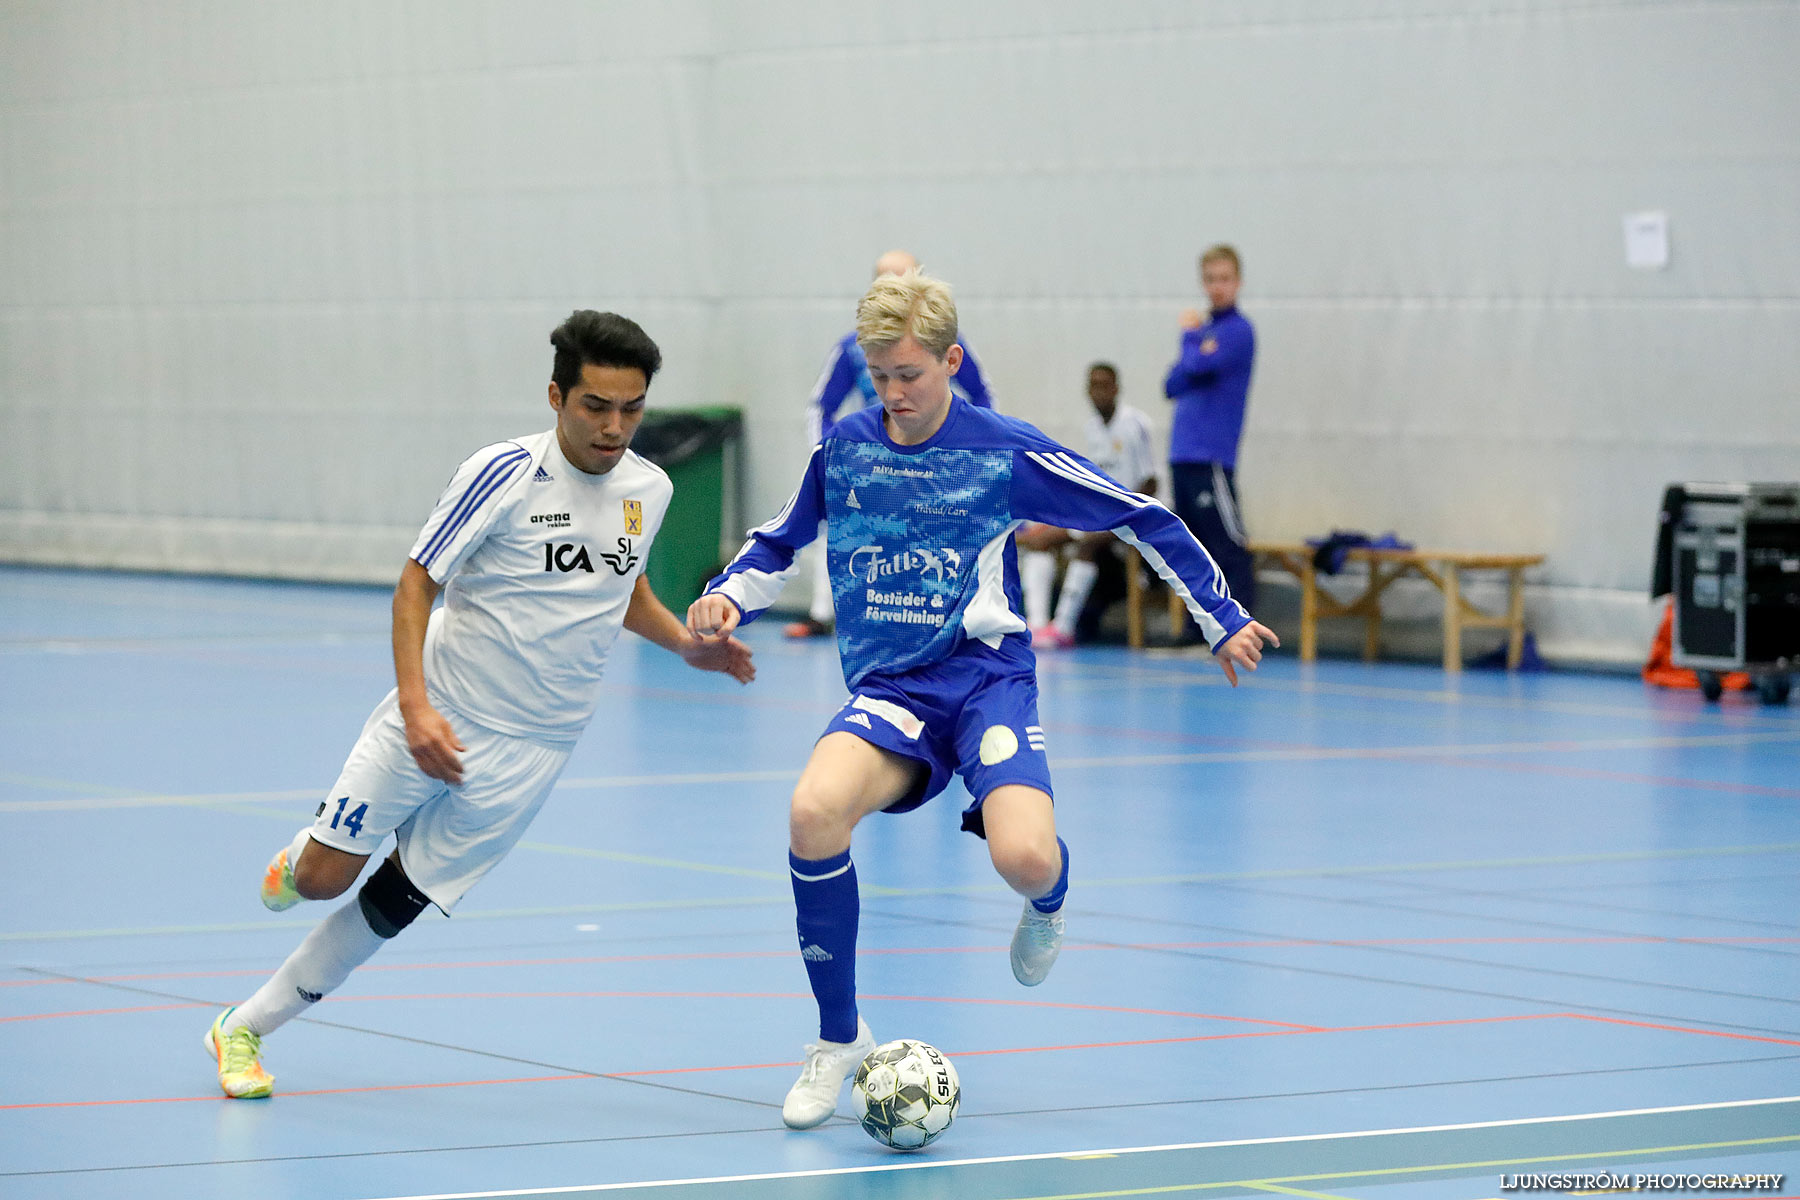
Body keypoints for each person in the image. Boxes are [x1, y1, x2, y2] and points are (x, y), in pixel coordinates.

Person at [687, 270, 1276, 1130]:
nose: (892, 395)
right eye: (878, 377)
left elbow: (1137, 515)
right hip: (894, 690)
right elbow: (779, 540)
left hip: (986, 684)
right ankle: (838, 1038)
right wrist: (728, 596)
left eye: (909, 377)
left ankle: (1049, 902)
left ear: (951, 362)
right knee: (813, 811)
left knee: (1025, 860)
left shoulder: (1003, 450)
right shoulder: (846, 446)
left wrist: (1219, 614)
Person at [202, 311, 754, 1099]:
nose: (614, 427)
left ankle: (244, 1027)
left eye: (631, 409)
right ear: (556, 396)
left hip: (537, 749)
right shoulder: (502, 473)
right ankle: (298, 858)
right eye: (596, 405)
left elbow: (622, 588)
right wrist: (418, 710)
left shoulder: (651, 488)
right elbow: (415, 583)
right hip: (437, 717)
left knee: (394, 906)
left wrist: (686, 646)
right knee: (325, 880)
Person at [784, 249, 995, 640]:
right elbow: (821, 407)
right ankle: (822, 614)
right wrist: (832, 458)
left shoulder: (944, 342)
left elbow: (983, 396)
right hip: (876, 459)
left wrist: (966, 454)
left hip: (933, 460)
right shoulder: (853, 346)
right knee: (836, 519)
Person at [1017, 361, 1158, 647]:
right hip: (1100, 514)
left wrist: (1124, 514)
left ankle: (1064, 628)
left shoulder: (1135, 424)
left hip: (1133, 515)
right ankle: (1036, 625)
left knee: (1086, 545)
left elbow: (1151, 483)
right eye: (1093, 386)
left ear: (1116, 388)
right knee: (1039, 541)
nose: (1099, 392)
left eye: (1104, 385)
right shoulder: (1092, 429)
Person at [1163, 243, 1257, 616]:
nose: (1217, 287)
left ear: (1238, 282)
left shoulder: (1237, 331)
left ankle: (1241, 625)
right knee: (1194, 549)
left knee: (1226, 543)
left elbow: (1196, 369)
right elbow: (1171, 384)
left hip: (1211, 455)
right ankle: (1197, 629)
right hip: (1183, 453)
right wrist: (1194, 350)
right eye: (1211, 279)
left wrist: (1189, 340)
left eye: (1225, 279)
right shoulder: (1207, 333)